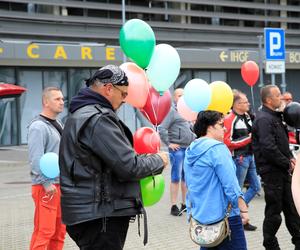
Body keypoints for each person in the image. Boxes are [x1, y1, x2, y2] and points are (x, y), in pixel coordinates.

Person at [59, 65, 169, 250]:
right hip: (100, 216)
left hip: (87, 213)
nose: (125, 100)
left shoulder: (79, 114)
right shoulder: (98, 118)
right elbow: (129, 166)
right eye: (123, 94)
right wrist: (159, 160)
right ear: (108, 89)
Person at [184, 110, 249, 250]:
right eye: (221, 125)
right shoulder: (218, 149)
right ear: (210, 127)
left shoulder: (190, 150)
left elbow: (191, 186)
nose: (225, 128)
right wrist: (243, 210)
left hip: (201, 217)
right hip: (225, 218)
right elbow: (231, 186)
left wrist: (191, 212)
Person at [252, 85, 300, 250]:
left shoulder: (275, 116)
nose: (281, 98)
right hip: (272, 173)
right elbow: (268, 148)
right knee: (274, 213)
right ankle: (270, 244)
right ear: (268, 100)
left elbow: (281, 144)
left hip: (282, 171)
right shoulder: (264, 119)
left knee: (292, 211)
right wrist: (287, 162)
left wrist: (290, 160)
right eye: (278, 95)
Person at [27, 87, 66, 250]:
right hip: (46, 188)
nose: (62, 102)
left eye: (63, 99)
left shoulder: (58, 123)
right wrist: (46, 183)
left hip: (60, 186)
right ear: (46, 102)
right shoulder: (38, 127)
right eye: (57, 99)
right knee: (44, 232)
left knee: (59, 232)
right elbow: (35, 158)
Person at [224, 89, 261, 231]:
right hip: (239, 158)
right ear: (237, 104)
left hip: (250, 156)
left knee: (256, 187)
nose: (248, 104)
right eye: (245, 102)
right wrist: (250, 138)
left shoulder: (247, 116)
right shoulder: (229, 119)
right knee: (237, 190)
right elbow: (228, 142)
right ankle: (237, 220)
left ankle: (239, 212)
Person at [158, 88, 196, 216]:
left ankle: (184, 204)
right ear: (175, 97)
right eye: (179, 95)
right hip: (177, 149)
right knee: (176, 177)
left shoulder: (189, 111)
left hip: (188, 148)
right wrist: (169, 143)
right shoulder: (172, 112)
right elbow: (162, 128)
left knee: (186, 178)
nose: (182, 98)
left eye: (184, 95)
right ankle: (173, 205)